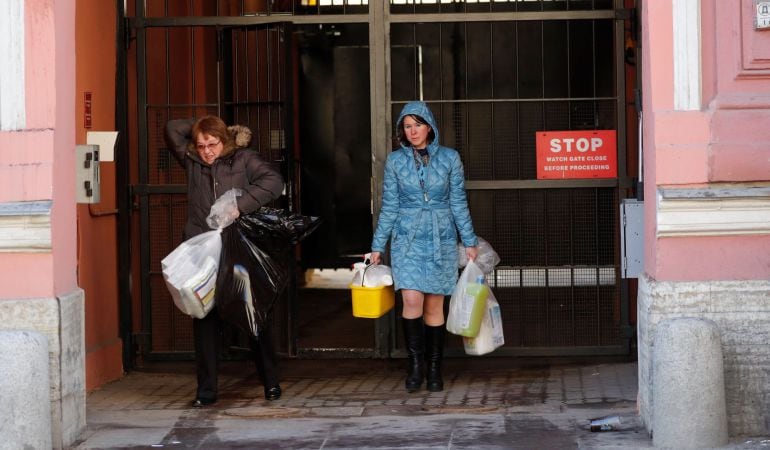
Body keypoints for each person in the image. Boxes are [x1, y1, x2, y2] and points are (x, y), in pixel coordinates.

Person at [165, 115, 285, 407]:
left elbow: (274, 181)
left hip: (236, 247)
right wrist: (203, 125)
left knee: (251, 311)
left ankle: (270, 382)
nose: (207, 151)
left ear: (225, 141)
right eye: (202, 144)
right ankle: (205, 392)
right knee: (203, 316)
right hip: (201, 250)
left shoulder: (243, 158)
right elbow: (171, 128)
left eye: (213, 143)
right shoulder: (192, 161)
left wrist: (239, 207)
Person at [370, 101, 479, 393]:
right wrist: (378, 245)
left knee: (434, 305)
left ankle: (434, 368)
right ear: (401, 131)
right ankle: (415, 365)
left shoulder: (450, 158)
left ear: (429, 126)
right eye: (407, 126)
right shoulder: (394, 161)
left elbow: (458, 202)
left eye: (418, 124)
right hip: (407, 238)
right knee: (412, 301)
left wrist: (469, 241)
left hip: (440, 238)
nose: (413, 131)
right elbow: (390, 206)